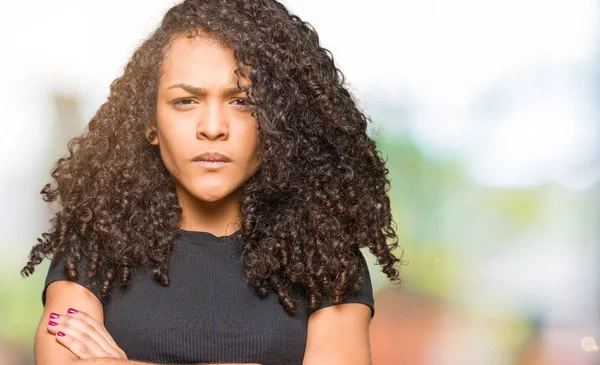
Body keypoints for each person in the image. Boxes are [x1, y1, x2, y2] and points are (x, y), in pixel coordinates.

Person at [21, 0, 403, 364]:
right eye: (186, 101)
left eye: (243, 102)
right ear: (150, 123)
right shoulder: (94, 249)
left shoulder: (325, 258)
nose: (213, 128)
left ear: (279, 123)